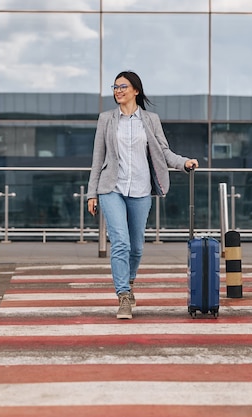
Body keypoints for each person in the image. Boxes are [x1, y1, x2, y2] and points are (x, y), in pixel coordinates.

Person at [86, 70, 199, 319]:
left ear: (136, 90)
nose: (118, 91)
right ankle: (123, 295)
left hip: (140, 189)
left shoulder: (150, 120)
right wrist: (91, 193)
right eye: (115, 87)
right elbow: (97, 158)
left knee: (136, 247)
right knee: (121, 243)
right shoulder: (106, 119)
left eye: (123, 87)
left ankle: (130, 280)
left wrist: (184, 162)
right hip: (111, 188)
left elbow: (164, 152)